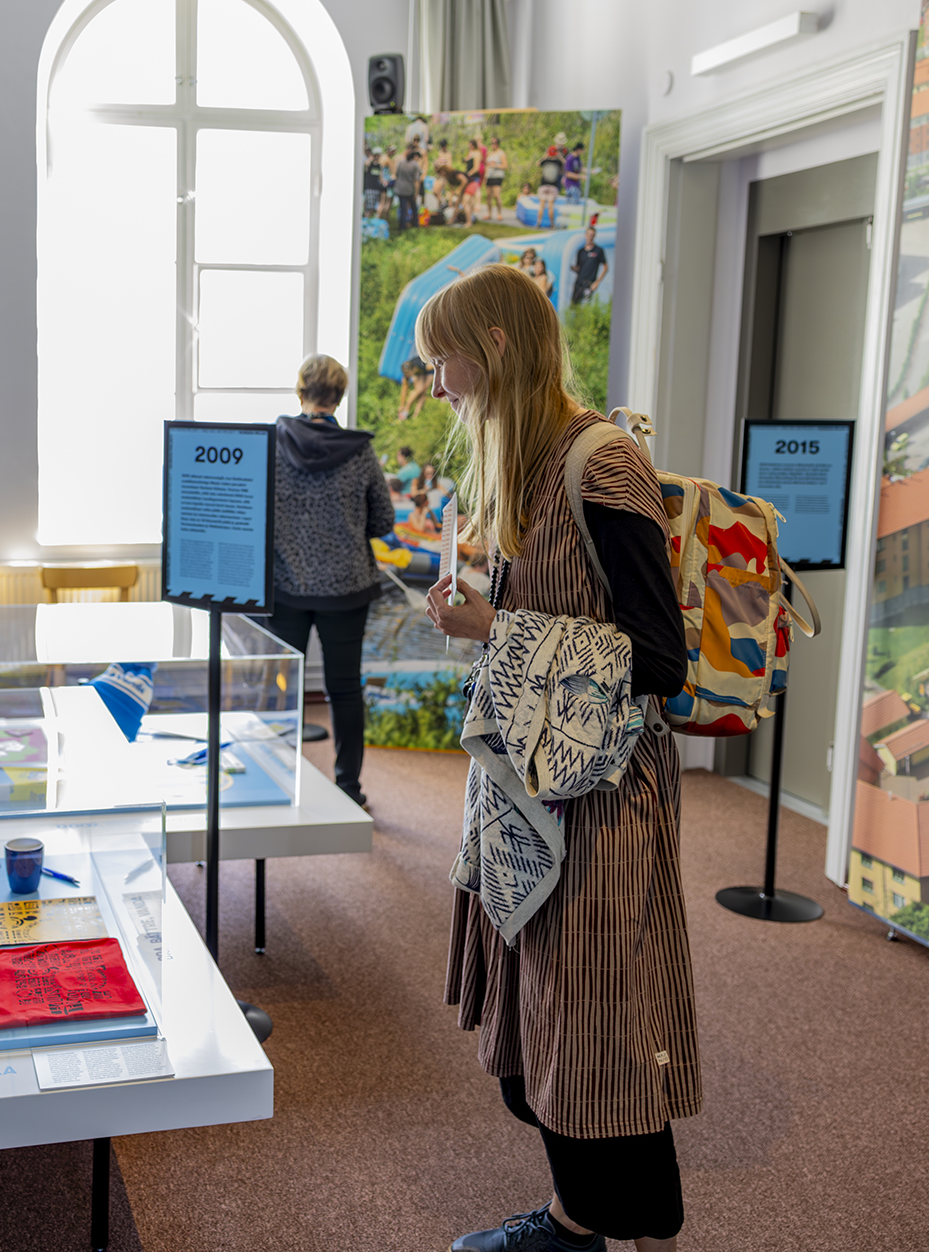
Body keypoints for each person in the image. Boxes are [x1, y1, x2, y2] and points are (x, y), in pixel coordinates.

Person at [419, 263, 694, 1252]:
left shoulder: (601, 463)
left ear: (493, 346)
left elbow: (659, 661)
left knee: (594, 1023)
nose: (436, 384)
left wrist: (496, 626)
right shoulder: (534, 461)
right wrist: (489, 619)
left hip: (599, 801)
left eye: (442, 360)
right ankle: (603, 1221)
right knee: (557, 1020)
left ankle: (588, 1228)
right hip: (540, 790)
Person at [266, 355, 393, 806]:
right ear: (338, 396)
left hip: (285, 588)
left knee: (281, 688)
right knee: (344, 689)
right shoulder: (359, 451)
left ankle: (277, 782)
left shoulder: (272, 445)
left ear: (300, 392)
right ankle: (348, 788)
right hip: (346, 589)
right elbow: (383, 520)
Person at [569, 223, 610, 307]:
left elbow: (605, 267)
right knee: (574, 306)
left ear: (594, 236)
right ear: (585, 235)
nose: (590, 237)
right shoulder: (580, 251)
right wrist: (573, 268)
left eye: (592, 235)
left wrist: (597, 282)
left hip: (589, 284)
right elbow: (579, 268)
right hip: (578, 283)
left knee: (585, 307)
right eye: (588, 234)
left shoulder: (598, 250)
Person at [394, 147, 423, 234]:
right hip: (409, 189)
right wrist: (416, 193)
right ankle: (415, 224)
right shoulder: (415, 165)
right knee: (414, 207)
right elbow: (416, 180)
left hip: (400, 188)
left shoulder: (400, 163)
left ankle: (402, 227)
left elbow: (396, 174)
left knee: (403, 208)